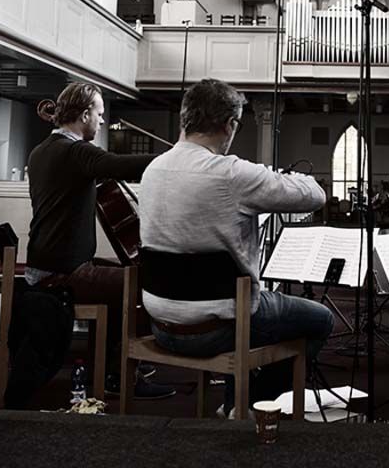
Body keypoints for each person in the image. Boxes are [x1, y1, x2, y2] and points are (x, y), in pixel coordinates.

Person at [137, 78, 333, 416]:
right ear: (230, 125)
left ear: (186, 117)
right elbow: (315, 196)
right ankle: (250, 404)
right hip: (218, 330)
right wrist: (289, 177)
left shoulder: (153, 170)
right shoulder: (231, 173)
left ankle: (233, 401)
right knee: (320, 320)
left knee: (238, 302)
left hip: (161, 322)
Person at [26, 81, 175, 400]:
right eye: (99, 113)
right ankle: (121, 374)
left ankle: (108, 369)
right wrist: (176, 158)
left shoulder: (41, 151)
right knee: (147, 282)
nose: (103, 120)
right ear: (84, 115)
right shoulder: (74, 151)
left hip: (47, 263)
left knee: (126, 278)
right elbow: (119, 165)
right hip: (64, 271)